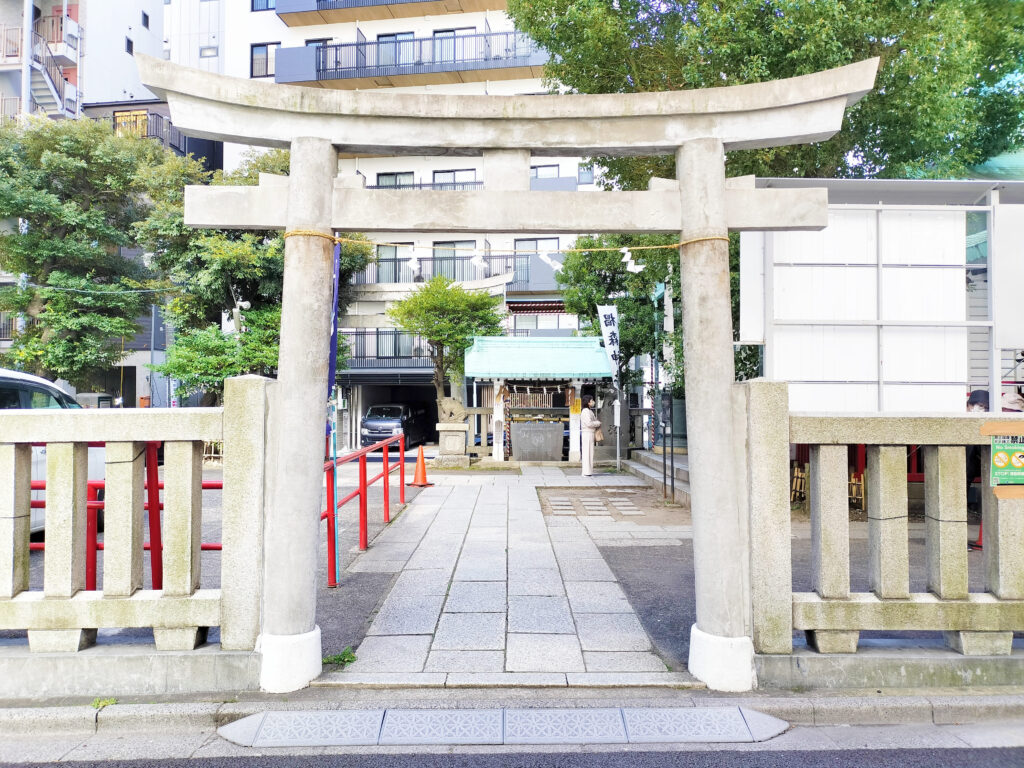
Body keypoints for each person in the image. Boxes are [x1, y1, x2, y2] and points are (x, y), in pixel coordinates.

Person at [580, 395, 602, 477]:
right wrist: (598, 423)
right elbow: (589, 423)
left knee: (589, 453)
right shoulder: (586, 411)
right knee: (587, 453)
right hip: (587, 433)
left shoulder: (589, 411)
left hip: (590, 433)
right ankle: (586, 472)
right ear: (588, 402)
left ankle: (588, 471)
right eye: (592, 400)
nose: (593, 402)